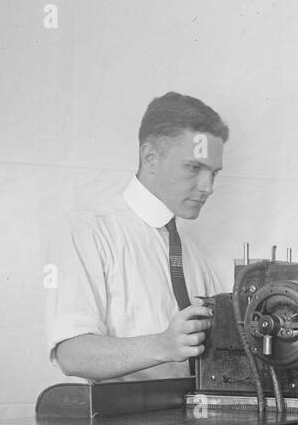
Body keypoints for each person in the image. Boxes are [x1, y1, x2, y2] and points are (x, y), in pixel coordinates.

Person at [48, 92, 227, 382]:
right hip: (119, 423)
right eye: (194, 168)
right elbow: (71, 353)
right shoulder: (89, 230)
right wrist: (162, 345)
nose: (207, 187)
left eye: (213, 173)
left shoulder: (193, 254)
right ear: (150, 157)